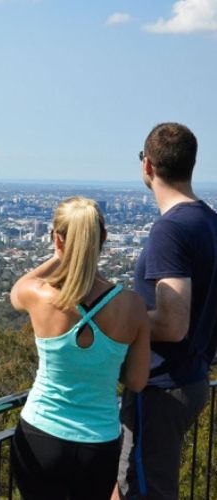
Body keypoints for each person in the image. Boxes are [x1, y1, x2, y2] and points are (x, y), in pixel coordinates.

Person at [9, 196, 150, 500]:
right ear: (104, 240)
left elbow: (16, 291)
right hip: (98, 443)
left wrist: (61, 255)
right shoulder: (131, 306)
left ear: (57, 240)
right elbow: (137, 381)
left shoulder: (39, 295)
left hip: (39, 435)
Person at [116, 123, 217, 500]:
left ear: (148, 166)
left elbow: (173, 323)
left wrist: (116, 321)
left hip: (161, 386)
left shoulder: (170, 230)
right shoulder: (209, 221)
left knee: (144, 491)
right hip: (191, 378)